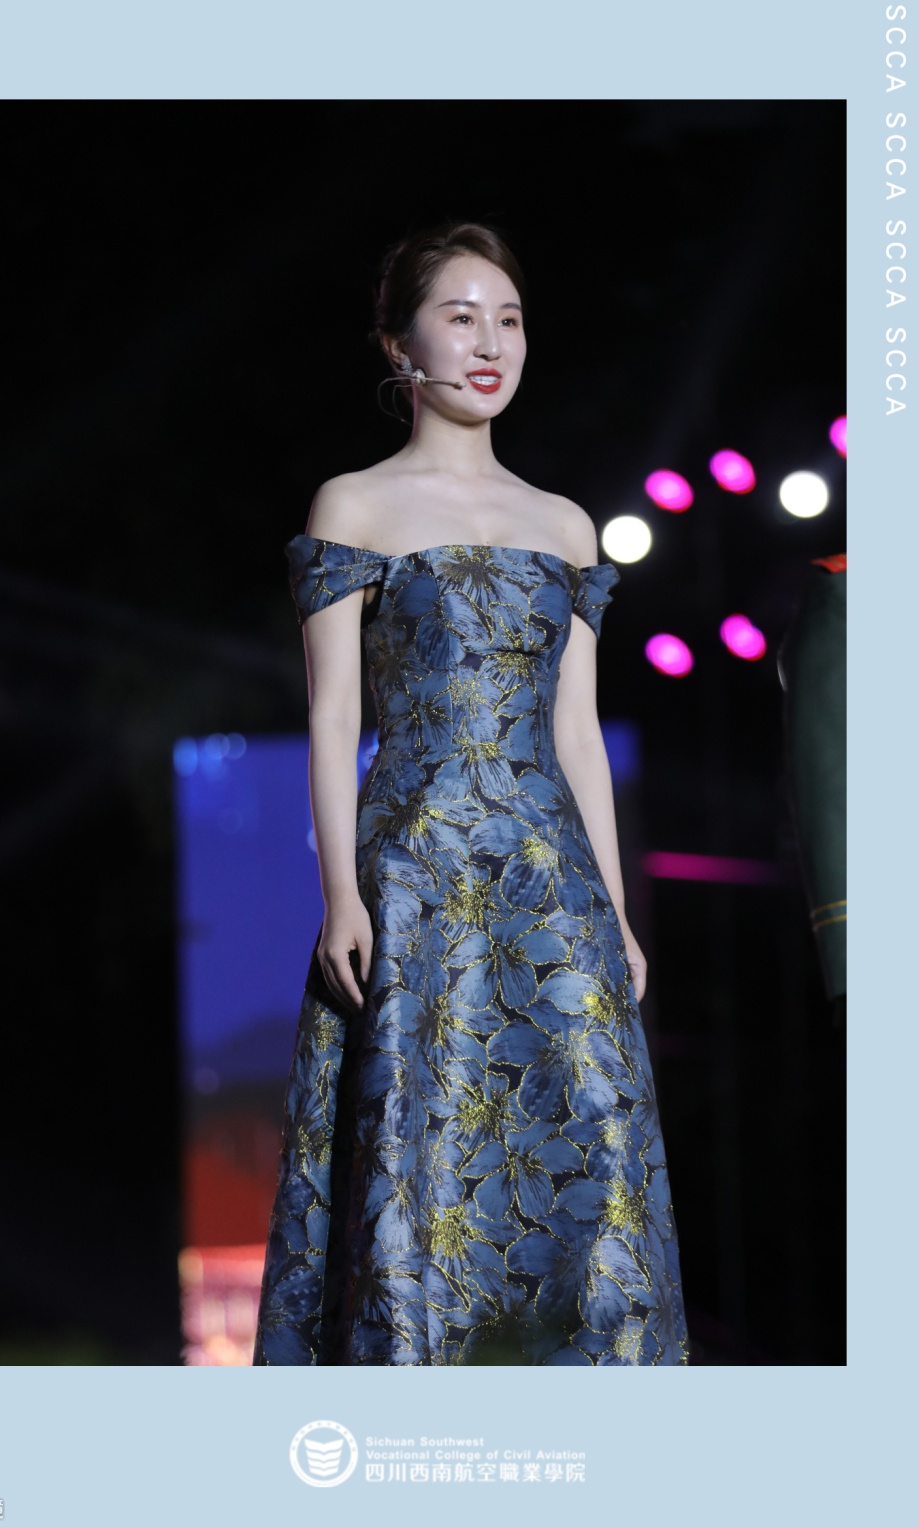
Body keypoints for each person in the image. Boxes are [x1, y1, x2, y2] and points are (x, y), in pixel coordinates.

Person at [251, 222, 690, 1365]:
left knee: (590, 1155)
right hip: (418, 876)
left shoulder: (564, 523)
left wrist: (617, 911)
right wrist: (342, 896)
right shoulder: (353, 505)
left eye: (509, 319)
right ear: (400, 347)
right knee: (424, 1155)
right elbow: (333, 716)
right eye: (460, 317)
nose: (490, 343)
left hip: (552, 888)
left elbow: (578, 733)